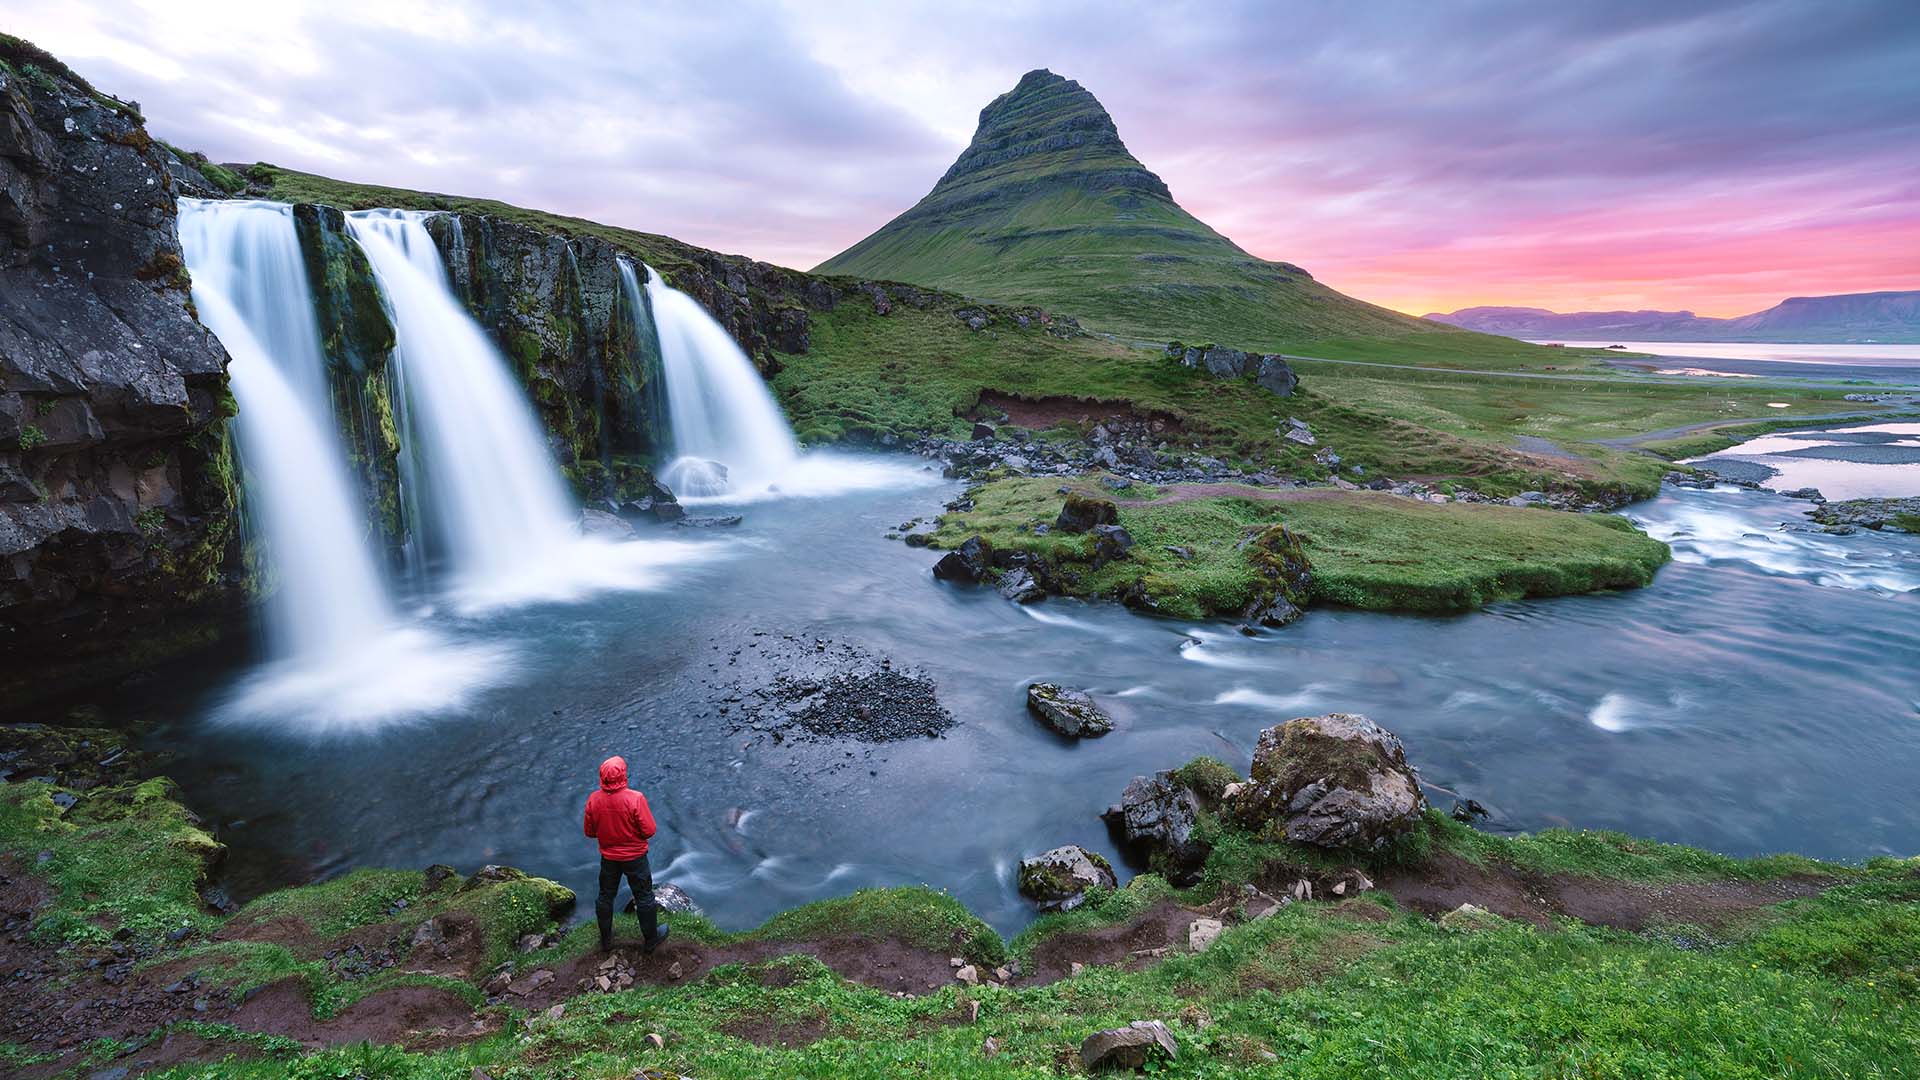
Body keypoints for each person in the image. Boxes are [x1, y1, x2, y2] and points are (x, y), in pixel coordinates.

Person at [583, 755, 669, 954]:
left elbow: (589, 832)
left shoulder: (594, 799)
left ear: (602, 776)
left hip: (609, 859)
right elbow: (649, 830)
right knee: (644, 897)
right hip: (635, 858)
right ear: (623, 774)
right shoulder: (635, 798)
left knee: (605, 896)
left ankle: (606, 940)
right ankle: (651, 940)